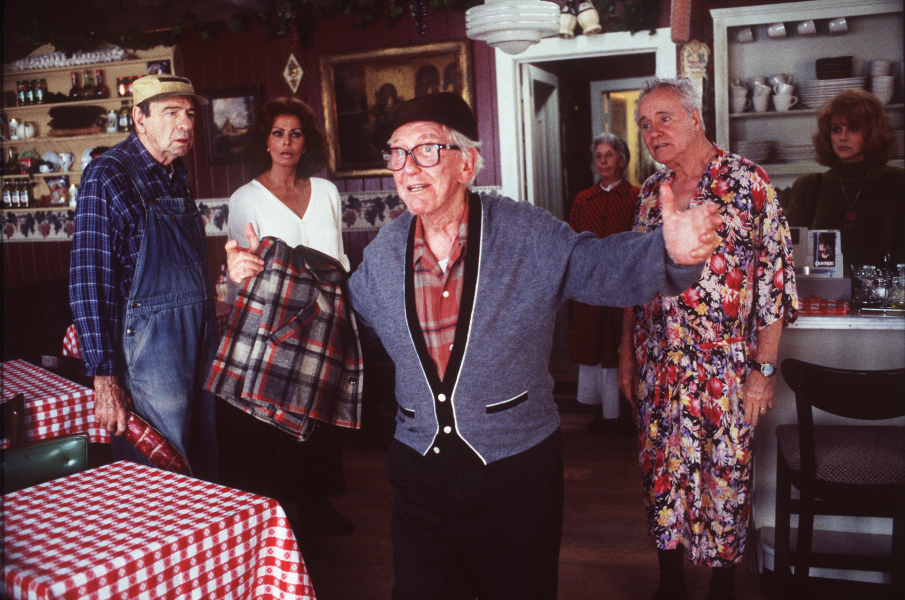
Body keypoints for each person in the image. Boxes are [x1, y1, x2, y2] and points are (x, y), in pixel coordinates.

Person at [227, 92, 723, 599]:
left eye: (426, 150)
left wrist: (669, 254)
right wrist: (264, 279)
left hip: (515, 470)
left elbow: (596, 265)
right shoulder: (385, 251)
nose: (407, 167)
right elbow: (340, 318)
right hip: (419, 469)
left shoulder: (525, 232)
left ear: (466, 163)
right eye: (397, 153)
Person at [617, 78, 798, 600]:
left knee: (727, 477)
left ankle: (722, 587)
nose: (653, 131)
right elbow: (634, 280)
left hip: (726, 366)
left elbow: (774, 282)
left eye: (664, 118)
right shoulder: (650, 193)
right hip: (659, 362)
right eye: (644, 124)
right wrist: (626, 355)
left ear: (696, 119)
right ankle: (670, 583)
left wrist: (763, 372)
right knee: (660, 474)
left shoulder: (748, 182)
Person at [218, 97, 354, 548]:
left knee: (318, 416)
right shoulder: (246, 198)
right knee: (275, 420)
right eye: (278, 133)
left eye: (296, 133)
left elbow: (340, 257)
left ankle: (316, 506)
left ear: (306, 141)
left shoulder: (326, 191)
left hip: (324, 320)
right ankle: (280, 522)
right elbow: (241, 271)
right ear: (265, 140)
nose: (287, 142)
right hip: (274, 325)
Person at [70, 74, 217, 479]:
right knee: (160, 475)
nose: (185, 123)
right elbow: (89, 284)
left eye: (189, 113)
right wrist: (105, 378)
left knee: (199, 467)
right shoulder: (107, 175)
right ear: (139, 119)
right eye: (171, 112)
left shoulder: (175, 175)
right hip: (150, 356)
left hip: (197, 345)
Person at [785, 89, 904, 269]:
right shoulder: (807, 187)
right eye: (836, 129)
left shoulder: (896, 181)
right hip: (822, 287)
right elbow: (789, 256)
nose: (842, 137)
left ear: (872, 133)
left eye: (853, 129)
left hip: (881, 286)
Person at [568, 133, 638, 434]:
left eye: (609, 155)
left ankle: (623, 413)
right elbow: (573, 240)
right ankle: (601, 412)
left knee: (620, 346)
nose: (603, 161)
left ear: (621, 160)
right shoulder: (583, 199)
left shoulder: (635, 197)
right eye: (599, 156)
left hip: (625, 284)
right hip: (591, 286)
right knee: (594, 346)